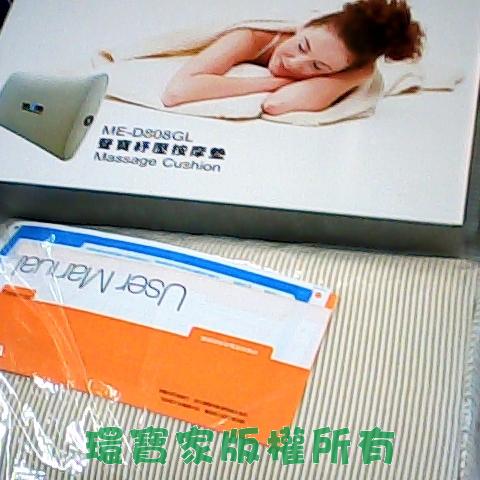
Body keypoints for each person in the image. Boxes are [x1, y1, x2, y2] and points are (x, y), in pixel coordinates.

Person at [162, 0, 424, 115]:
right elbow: (176, 93)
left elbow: (276, 105)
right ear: (304, 26)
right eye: (302, 46)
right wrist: (270, 83)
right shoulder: (249, 38)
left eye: (317, 66)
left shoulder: (349, 69)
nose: (293, 63)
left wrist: (360, 74)